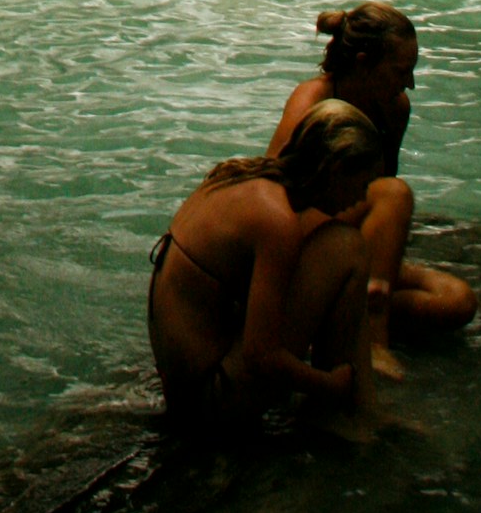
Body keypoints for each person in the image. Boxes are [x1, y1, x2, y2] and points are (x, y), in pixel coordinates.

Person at [147, 99, 386, 431]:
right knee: (347, 249)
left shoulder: (243, 177)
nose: (361, 199)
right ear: (334, 172)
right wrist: (326, 383)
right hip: (210, 403)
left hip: (184, 390)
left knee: (332, 246)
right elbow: (260, 357)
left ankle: (358, 403)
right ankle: (353, 413)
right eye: (361, 185)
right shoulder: (277, 221)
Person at [268, 3, 477, 378]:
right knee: (394, 194)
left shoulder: (394, 109)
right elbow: (270, 194)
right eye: (401, 71)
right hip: (305, 241)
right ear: (364, 62)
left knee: (458, 302)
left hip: (353, 246)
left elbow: (372, 193)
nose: (410, 83)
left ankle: (344, 310)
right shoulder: (312, 101)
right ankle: (374, 342)